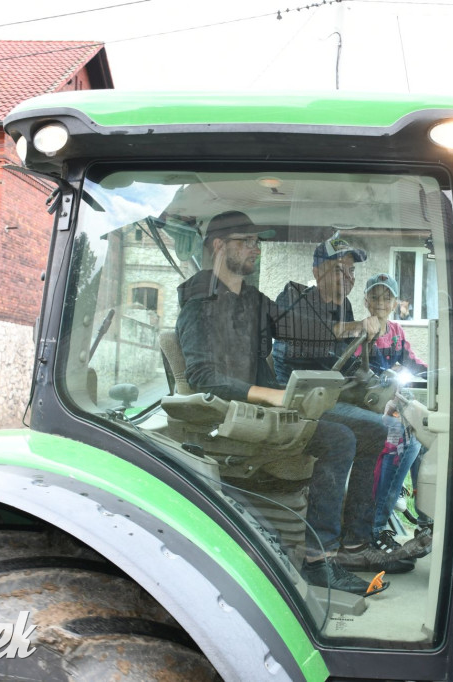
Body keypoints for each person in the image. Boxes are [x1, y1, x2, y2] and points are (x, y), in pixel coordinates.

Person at [175, 211, 403, 596]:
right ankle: (319, 561)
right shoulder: (200, 305)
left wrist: (350, 327)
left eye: (256, 242)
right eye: (245, 242)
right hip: (233, 417)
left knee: (370, 428)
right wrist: (277, 396)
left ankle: (353, 543)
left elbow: (294, 325)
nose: (255, 249)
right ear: (218, 246)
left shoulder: (249, 298)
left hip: (267, 410)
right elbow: (203, 378)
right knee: (339, 439)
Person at [273, 238, 427, 562]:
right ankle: (323, 548)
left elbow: (342, 360)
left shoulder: (342, 307)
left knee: (384, 428)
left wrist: (381, 389)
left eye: (352, 270)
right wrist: (355, 327)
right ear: (317, 270)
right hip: (295, 401)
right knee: (351, 435)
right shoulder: (294, 295)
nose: (348, 276)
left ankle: (357, 541)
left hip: (328, 397)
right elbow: (301, 334)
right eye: (338, 268)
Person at [360, 273, 432, 554]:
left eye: (386, 297)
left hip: (394, 400)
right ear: (366, 301)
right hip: (369, 404)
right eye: (375, 296)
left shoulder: (397, 333)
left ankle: (426, 522)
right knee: (403, 441)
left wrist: (440, 376)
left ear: (394, 303)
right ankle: (376, 528)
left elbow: (413, 363)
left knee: (425, 437)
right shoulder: (361, 331)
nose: (381, 301)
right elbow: (359, 375)